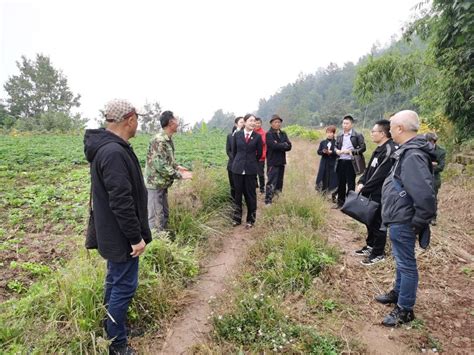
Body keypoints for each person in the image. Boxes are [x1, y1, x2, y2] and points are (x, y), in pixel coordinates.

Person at [84, 99, 152, 355]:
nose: (138, 125)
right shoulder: (113, 152)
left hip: (113, 233)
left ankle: (113, 328)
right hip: (121, 236)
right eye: (138, 120)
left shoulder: (109, 148)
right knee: (124, 285)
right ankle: (117, 345)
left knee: (114, 281)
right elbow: (121, 201)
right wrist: (135, 238)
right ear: (130, 119)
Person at [376, 110, 436, 327]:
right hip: (398, 216)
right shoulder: (407, 151)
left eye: (391, 126)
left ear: (400, 128)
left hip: (405, 218)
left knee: (406, 263)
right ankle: (398, 293)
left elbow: (424, 193)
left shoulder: (413, 155)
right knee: (401, 260)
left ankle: (405, 309)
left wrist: (417, 222)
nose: (389, 130)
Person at [354, 120, 396, 265]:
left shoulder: (389, 149)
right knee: (369, 220)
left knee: (378, 222)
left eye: (374, 131)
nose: (371, 134)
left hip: (381, 194)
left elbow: (380, 175)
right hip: (370, 192)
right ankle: (370, 245)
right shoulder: (378, 149)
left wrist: (365, 188)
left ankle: (378, 253)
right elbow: (369, 170)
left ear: (383, 133)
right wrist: (361, 181)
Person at [144, 111, 192, 233]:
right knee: (155, 219)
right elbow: (161, 165)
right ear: (171, 123)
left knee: (164, 214)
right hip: (155, 184)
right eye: (176, 120)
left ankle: (164, 243)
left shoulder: (167, 139)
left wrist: (177, 166)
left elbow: (167, 160)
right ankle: (155, 246)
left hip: (162, 183)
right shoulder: (159, 140)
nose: (178, 122)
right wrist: (180, 175)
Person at [231, 114, 263, 228]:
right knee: (238, 194)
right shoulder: (237, 135)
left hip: (250, 169)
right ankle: (237, 218)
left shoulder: (257, 137)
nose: (253, 123)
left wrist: (250, 162)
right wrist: (239, 162)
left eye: (254, 121)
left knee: (251, 195)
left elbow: (259, 154)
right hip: (237, 169)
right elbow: (234, 152)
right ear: (244, 122)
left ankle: (251, 220)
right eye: (250, 121)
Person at [334, 114, 366, 208]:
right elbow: (335, 146)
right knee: (341, 182)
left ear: (351, 124)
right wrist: (337, 151)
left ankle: (349, 204)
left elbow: (363, 148)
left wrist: (351, 152)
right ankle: (340, 202)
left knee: (351, 183)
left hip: (351, 162)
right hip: (340, 160)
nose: (345, 125)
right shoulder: (340, 134)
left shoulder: (357, 135)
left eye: (347, 123)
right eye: (343, 123)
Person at [265, 114, 292, 205]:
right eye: (275, 122)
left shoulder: (283, 133)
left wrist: (280, 144)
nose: (278, 124)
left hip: (281, 161)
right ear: (271, 123)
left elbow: (289, 146)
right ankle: (268, 200)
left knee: (280, 181)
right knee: (271, 181)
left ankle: (277, 198)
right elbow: (273, 146)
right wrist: (283, 145)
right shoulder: (269, 134)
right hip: (272, 162)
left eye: (279, 122)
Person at [425, 132, 446, 225]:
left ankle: (433, 217)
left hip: (434, 178)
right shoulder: (422, 149)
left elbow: (441, 167)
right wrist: (432, 164)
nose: (428, 143)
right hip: (422, 176)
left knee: (433, 198)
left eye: (430, 141)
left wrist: (427, 165)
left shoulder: (441, 151)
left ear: (434, 142)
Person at [315, 125, 338, 201]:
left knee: (332, 178)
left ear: (334, 133)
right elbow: (318, 151)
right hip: (324, 162)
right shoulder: (323, 142)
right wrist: (323, 152)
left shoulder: (336, 143)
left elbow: (338, 153)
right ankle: (322, 194)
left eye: (331, 132)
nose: (329, 134)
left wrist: (332, 152)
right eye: (327, 132)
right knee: (323, 177)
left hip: (332, 162)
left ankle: (333, 195)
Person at [226, 116, 244, 201]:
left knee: (242, 186)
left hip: (244, 165)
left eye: (244, 122)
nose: (243, 124)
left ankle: (241, 202)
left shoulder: (248, 134)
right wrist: (236, 159)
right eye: (241, 122)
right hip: (232, 164)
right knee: (233, 185)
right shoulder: (230, 136)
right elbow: (228, 150)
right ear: (236, 124)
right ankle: (234, 203)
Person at [254, 117, 267, 194]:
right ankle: (255, 186)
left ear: (261, 124)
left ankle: (262, 188)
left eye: (259, 123)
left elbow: (263, 143)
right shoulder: (251, 132)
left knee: (260, 173)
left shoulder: (263, 133)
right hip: (252, 156)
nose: (257, 124)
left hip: (261, 156)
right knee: (253, 172)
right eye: (256, 123)